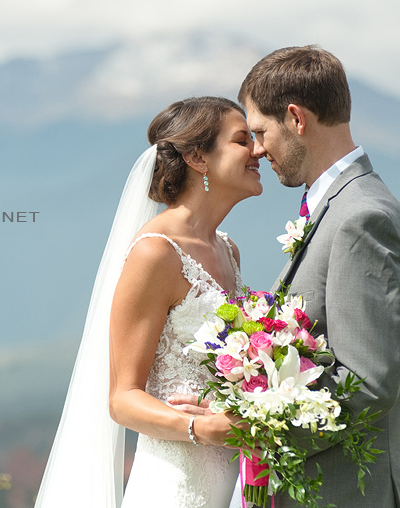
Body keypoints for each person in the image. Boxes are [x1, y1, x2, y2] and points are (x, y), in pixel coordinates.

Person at [172, 46, 400, 507]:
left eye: (262, 131)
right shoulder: (338, 208)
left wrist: (247, 428)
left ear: (296, 118)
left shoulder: (360, 217)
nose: (258, 148)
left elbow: (367, 385)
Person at [34, 96, 262, 508]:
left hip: (235, 479)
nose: (258, 151)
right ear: (197, 157)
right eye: (242, 140)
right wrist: (203, 428)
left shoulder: (229, 250)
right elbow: (123, 399)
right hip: (176, 484)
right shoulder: (156, 253)